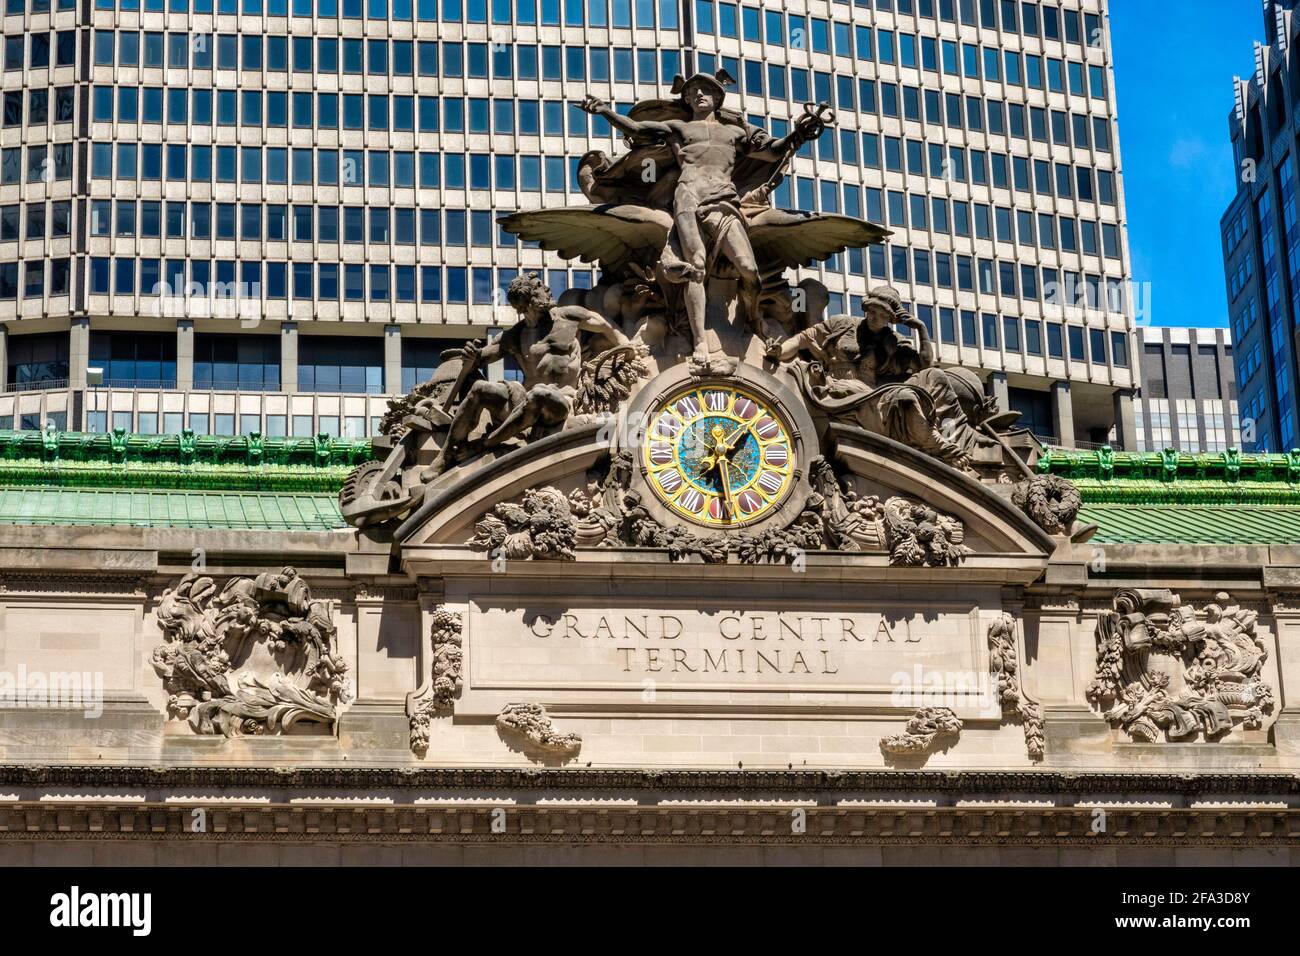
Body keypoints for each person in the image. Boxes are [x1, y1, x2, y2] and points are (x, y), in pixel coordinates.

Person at [578, 71, 824, 365]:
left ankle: (752, 315)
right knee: (695, 266)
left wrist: (797, 135)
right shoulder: (679, 128)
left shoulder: (736, 131)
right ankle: (699, 344)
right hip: (688, 197)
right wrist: (605, 111)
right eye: (693, 91)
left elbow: (772, 152)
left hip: (724, 200)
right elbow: (638, 128)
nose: (698, 95)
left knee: (749, 269)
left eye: (705, 90)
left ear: (717, 97)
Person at [422, 272, 629, 479]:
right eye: (539, 288)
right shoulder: (514, 335)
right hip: (522, 402)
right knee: (480, 389)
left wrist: (627, 345)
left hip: (560, 402)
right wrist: (472, 355)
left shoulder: (567, 316)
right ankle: (445, 456)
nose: (546, 290)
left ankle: (484, 444)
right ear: (524, 303)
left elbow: (603, 324)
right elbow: (482, 357)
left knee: (540, 393)